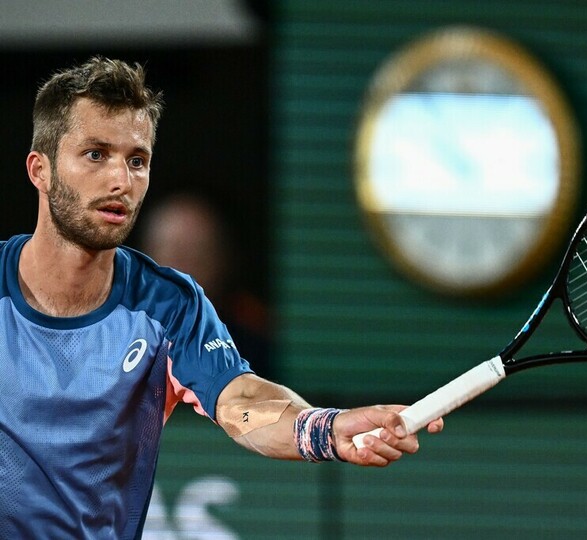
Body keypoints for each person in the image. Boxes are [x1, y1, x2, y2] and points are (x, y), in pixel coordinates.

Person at [0, 56, 442, 539]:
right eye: (95, 154)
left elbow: (240, 400)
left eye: (137, 161)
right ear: (40, 170)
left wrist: (324, 429)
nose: (121, 181)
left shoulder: (170, 307)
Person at [139, 192, 275, 379]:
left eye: (197, 254)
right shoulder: (117, 330)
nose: (181, 268)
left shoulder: (255, 331)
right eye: (171, 250)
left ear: (224, 260)